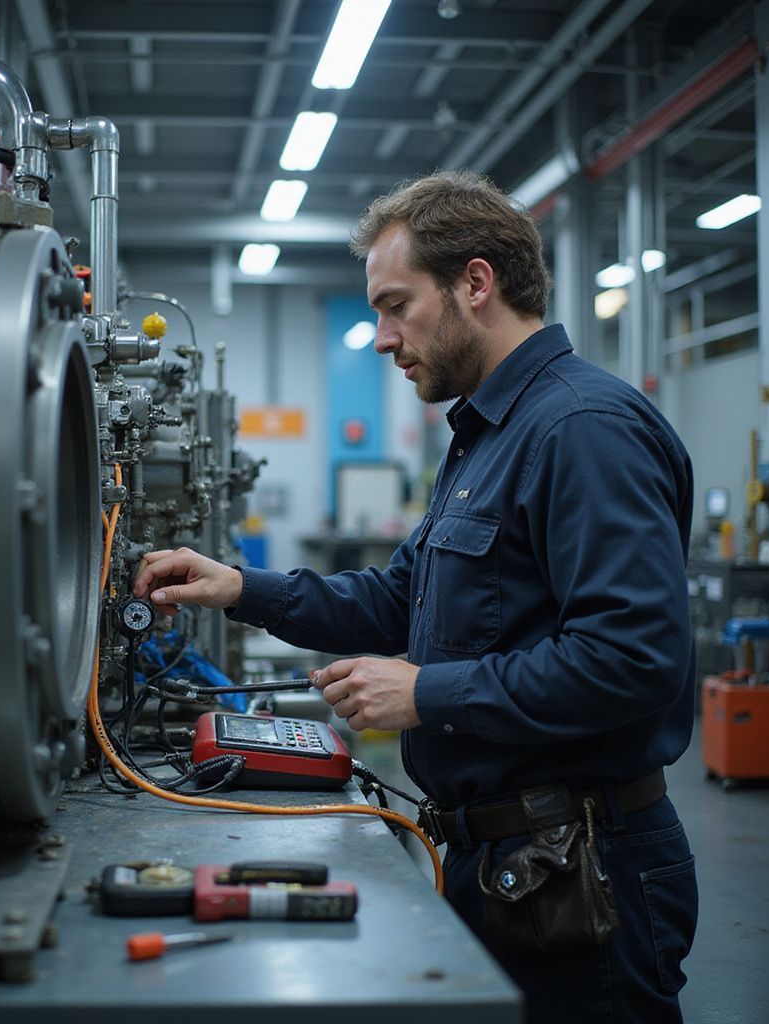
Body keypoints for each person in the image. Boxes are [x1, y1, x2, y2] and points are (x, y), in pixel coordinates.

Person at [132, 169, 697, 1024]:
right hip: (504, 856)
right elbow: (401, 600)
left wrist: (427, 693)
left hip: (584, 870)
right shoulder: (485, 436)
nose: (381, 336)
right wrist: (239, 587)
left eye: (397, 305)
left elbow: (633, 659)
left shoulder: (581, 428)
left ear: (476, 283)